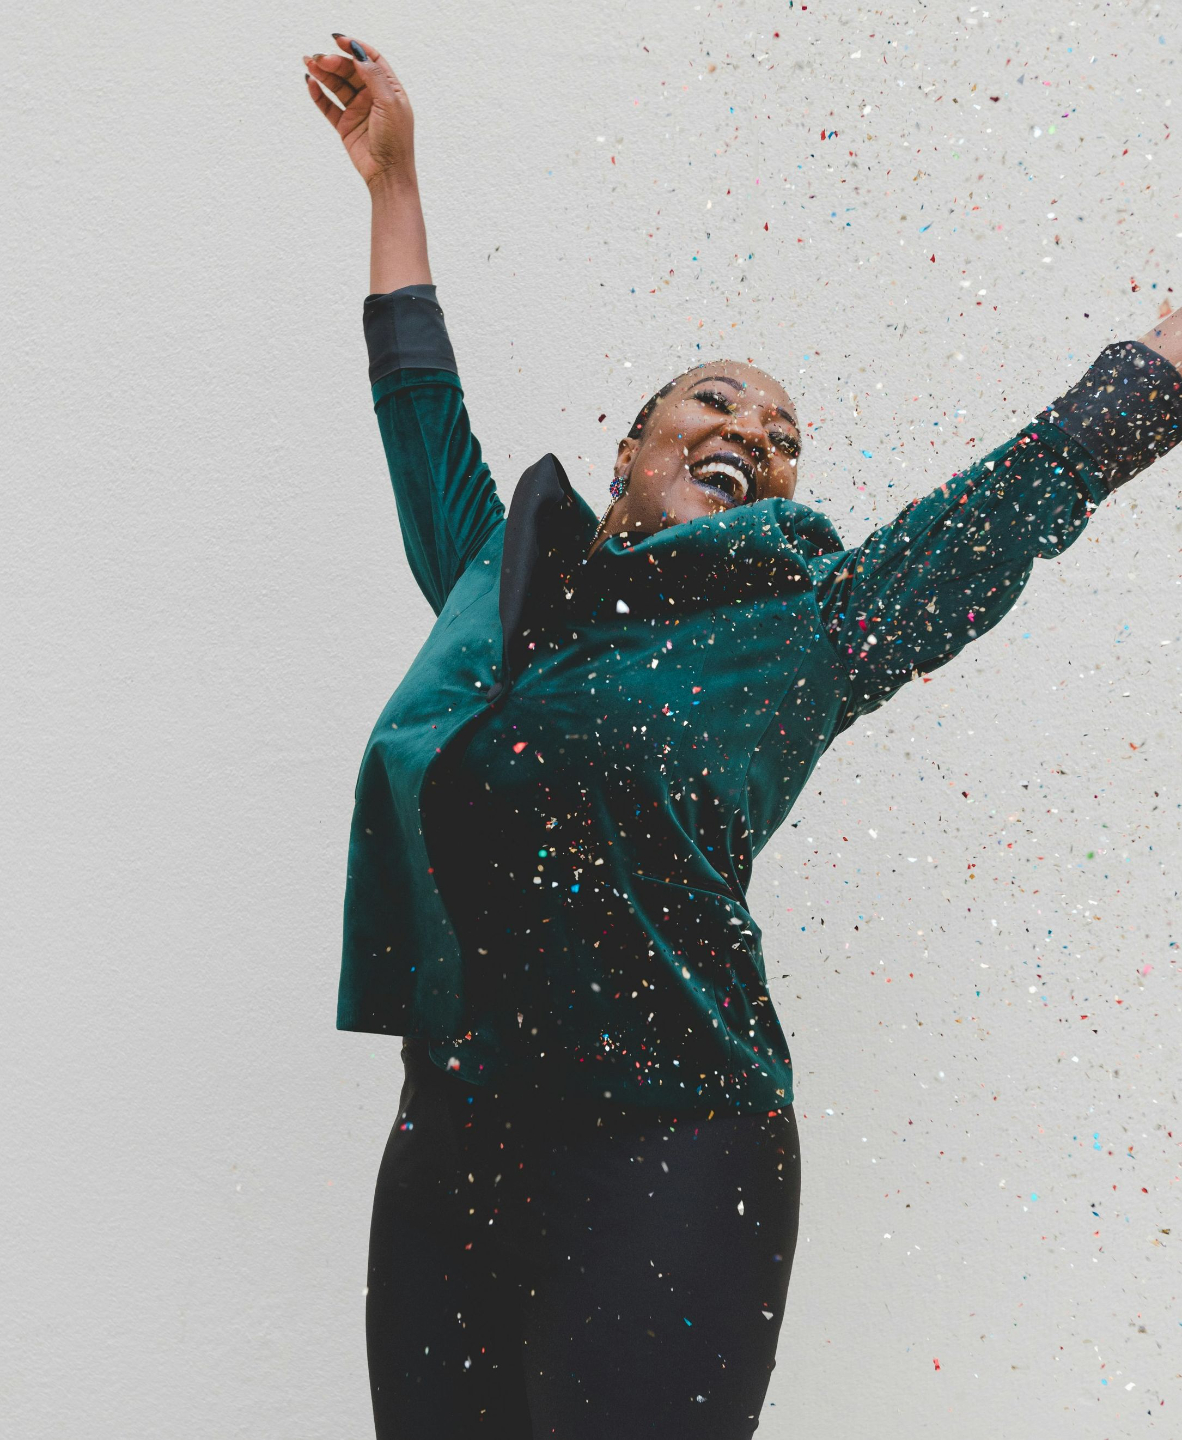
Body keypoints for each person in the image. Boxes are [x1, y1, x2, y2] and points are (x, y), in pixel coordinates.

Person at [304, 33, 1182, 1440]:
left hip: (669, 1153)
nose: (755, 435)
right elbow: (419, 411)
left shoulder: (804, 632)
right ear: (630, 450)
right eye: (715, 400)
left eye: (782, 436)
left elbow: (997, 514)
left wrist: (1160, 364)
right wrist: (391, 183)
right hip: (450, 1142)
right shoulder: (501, 589)